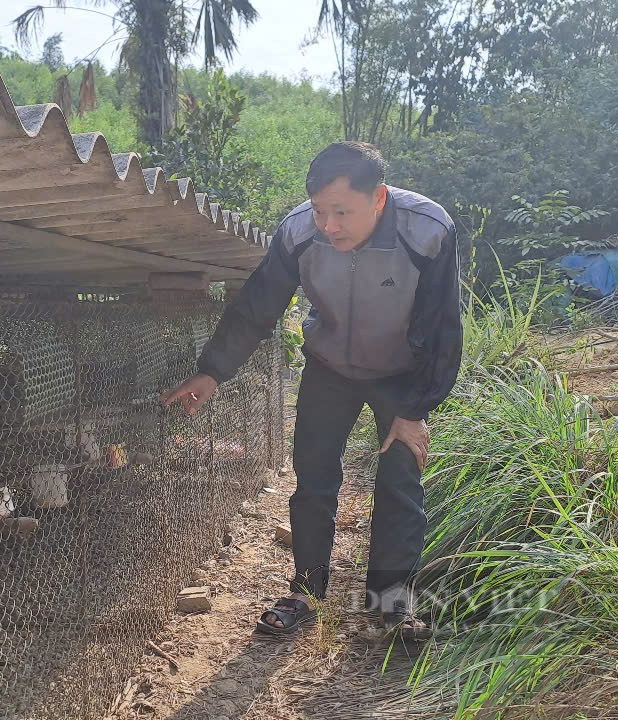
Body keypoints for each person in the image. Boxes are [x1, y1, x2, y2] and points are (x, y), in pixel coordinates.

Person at [160, 141, 462, 639]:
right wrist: (212, 370)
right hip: (328, 366)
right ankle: (306, 592)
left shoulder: (427, 230)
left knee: (399, 481)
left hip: (400, 374)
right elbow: (258, 304)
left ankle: (390, 609)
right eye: (321, 211)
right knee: (314, 478)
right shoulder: (299, 231)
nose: (329, 226)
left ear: (379, 198)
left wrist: (415, 409)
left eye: (342, 212)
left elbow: (443, 328)